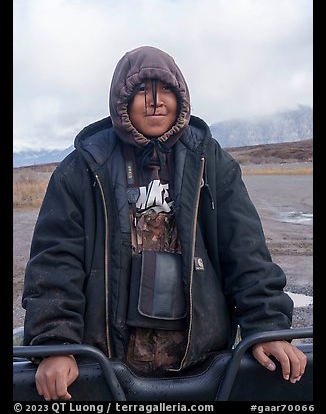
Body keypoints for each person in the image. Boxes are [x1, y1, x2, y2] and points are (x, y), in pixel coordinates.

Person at [22, 45, 307, 401]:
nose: (155, 101)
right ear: (120, 99)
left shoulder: (211, 161)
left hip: (204, 362)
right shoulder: (83, 167)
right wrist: (56, 344)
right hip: (107, 364)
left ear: (181, 96)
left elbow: (245, 251)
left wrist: (267, 329)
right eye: (142, 90)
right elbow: (55, 261)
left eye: (166, 90)